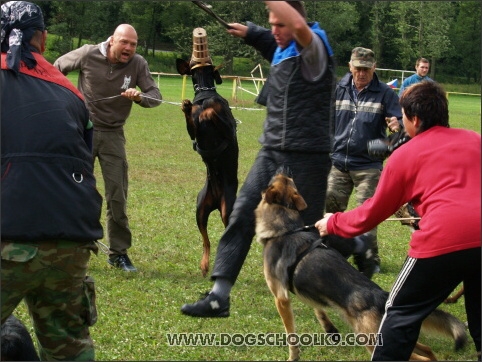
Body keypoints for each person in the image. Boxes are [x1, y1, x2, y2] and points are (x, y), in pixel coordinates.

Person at [181, 0, 336, 318]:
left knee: (307, 233)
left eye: (280, 24)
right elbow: (272, 38)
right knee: (240, 216)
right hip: (272, 151)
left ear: (295, 23)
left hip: (308, 154)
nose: (274, 31)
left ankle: (354, 249)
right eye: (271, 23)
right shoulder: (282, 47)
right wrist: (251, 32)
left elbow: (297, 30)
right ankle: (219, 296)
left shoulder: (315, 49)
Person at [315, 81, 481, 361]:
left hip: (443, 240)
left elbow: (371, 213)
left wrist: (332, 223)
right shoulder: (475, 139)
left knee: (398, 314)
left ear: (414, 119)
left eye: (403, 116)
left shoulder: (404, 154)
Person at [1, 1, 104, 360]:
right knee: (69, 348)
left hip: (9, 237)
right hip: (72, 239)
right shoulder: (71, 92)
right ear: (42, 39)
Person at [54, 24, 162, 272]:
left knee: (117, 195)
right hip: (83, 133)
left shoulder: (138, 64)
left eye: (133, 44)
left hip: (114, 135)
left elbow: (155, 96)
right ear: (112, 40)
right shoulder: (87, 53)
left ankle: (118, 253)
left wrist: (140, 97)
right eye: (124, 42)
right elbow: (54, 70)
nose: (128, 48)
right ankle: (68, 248)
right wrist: (68, 99)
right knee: (74, 190)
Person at [325, 47, 403, 277]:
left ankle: (370, 257)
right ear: (350, 67)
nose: (361, 73)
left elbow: (400, 122)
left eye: (366, 70)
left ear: (374, 68)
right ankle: (332, 253)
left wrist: (395, 128)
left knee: (367, 214)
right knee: (330, 210)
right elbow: (326, 121)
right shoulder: (338, 89)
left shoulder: (386, 94)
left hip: (368, 165)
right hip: (338, 161)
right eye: (357, 69)